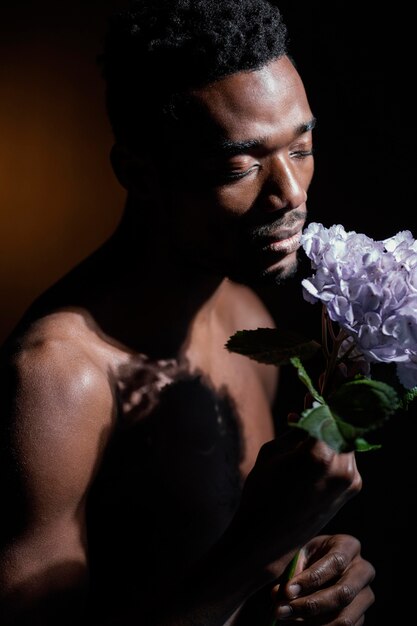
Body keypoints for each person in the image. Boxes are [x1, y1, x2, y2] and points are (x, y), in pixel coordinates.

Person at [0, 1, 376, 624]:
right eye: (241, 166)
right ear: (138, 174)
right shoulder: (58, 381)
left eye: (302, 147)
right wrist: (250, 556)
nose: (292, 192)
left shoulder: (245, 321)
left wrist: (311, 575)